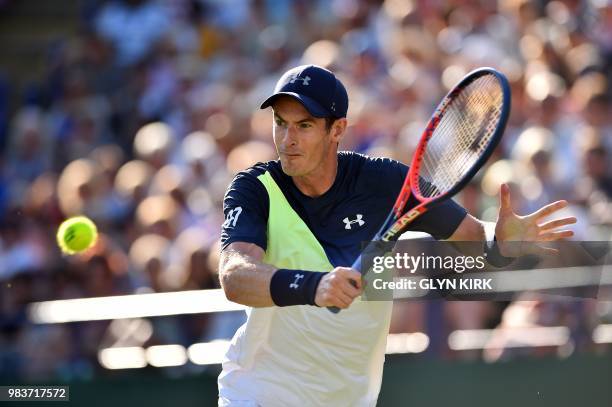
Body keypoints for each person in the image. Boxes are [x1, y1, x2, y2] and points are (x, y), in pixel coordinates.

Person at [217, 65, 576, 406]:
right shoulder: (255, 188)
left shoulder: (387, 182)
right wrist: (314, 286)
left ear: (337, 130)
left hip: (349, 398)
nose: (287, 139)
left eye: (304, 125)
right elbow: (235, 276)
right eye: (281, 123)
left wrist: (500, 242)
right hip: (258, 395)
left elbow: (475, 239)